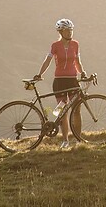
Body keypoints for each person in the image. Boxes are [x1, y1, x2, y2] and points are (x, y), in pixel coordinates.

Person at [34, 18, 86, 149]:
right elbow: (48, 61)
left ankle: (78, 138)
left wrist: (83, 73)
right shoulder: (55, 46)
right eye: (67, 30)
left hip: (73, 80)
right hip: (60, 81)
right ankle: (65, 140)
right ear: (61, 31)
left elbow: (77, 62)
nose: (70, 33)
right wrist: (40, 74)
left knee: (77, 109)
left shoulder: (75, 44)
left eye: (71, 30)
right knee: (62, 111)